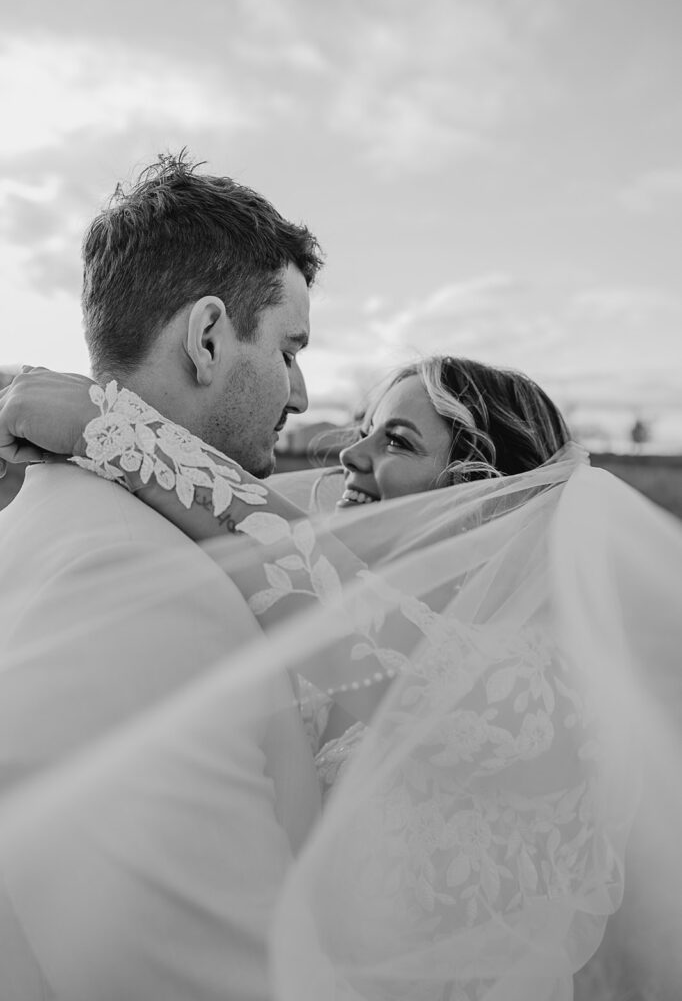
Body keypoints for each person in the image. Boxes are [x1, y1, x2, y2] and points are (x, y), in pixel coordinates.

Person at [1, 353, 681, 1000]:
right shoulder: (360, 640)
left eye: (399, 442)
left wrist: (116, 429)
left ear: (488, 500)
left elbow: (318, 593)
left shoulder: (545, 693)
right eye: (364, 433)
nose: (350, 457)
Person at [0, 154, 326, 1000]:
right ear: (208, 336)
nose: (301, 389)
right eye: (290, 348)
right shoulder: (134, 586)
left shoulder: (49, 520)